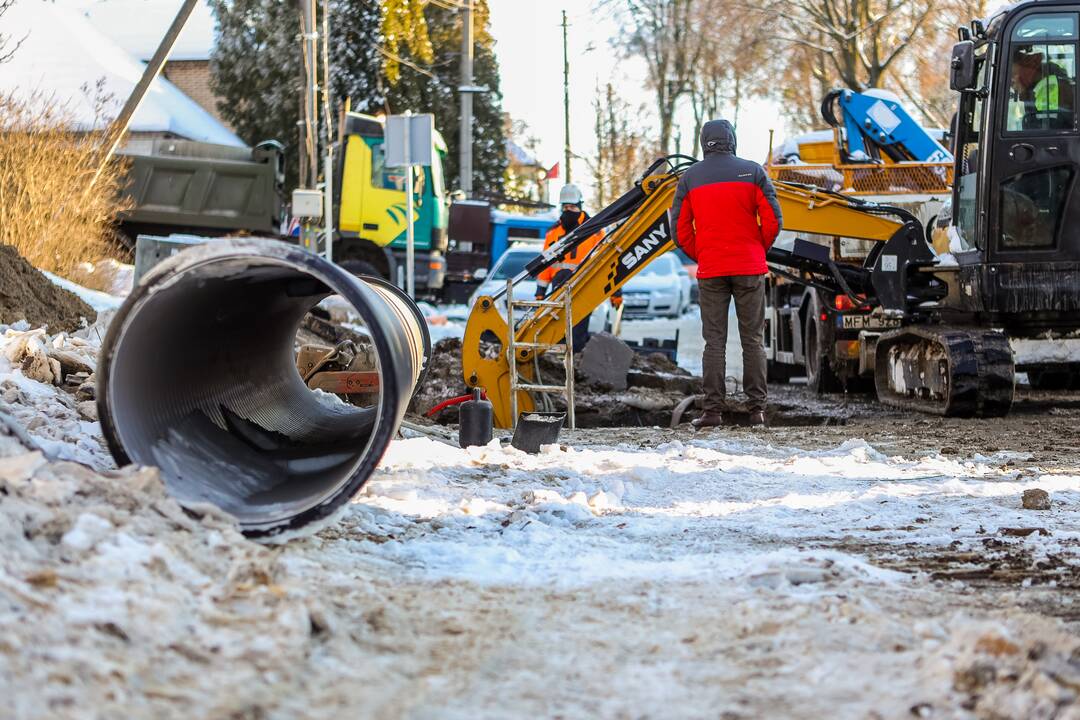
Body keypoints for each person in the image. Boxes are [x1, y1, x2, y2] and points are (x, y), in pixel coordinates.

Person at [671, 119, 782, 428]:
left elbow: (679, 230)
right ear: (732, 139)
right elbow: (773, 219)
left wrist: (702, 252)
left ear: (703, 142)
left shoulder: (690, 178)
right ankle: (757, 410)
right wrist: (756, 248)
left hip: (712, 268)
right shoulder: (753, 171)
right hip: (749, 266)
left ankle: (712, 412)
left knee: (714, 342)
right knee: (753, 340)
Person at [535, 183, 613, 350]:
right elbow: (546, 263)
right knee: (556, 330)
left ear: (580, 207)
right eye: (566, 207)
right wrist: (541, 290)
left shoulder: (595, 230)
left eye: (572, 207)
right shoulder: (553, 232)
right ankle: (557, 366)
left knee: (577, 333)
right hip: (558, 287)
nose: (569, 210)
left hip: (583, 287)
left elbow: (605, 259)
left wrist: (615, 292)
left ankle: (575, 361)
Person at [1009, 46, 1074, 130]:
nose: (1012, 86)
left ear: (1031, 64)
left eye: (1012, 77)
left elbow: (1047, 130)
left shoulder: (1049, 87)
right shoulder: (1037, 87)